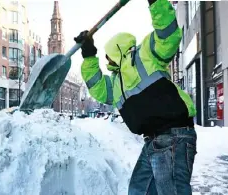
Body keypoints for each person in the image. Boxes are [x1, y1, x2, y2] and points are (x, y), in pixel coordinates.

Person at [74, 0, 197, 194]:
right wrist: (89, 54)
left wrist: (156, 3)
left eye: (108, 55)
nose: (106, 60)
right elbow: (97, 88)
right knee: (138, 190)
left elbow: (168, 36)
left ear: (119, 49)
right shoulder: (116, 83)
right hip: (153, 141)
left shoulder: (145, 53)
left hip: (174, 136)